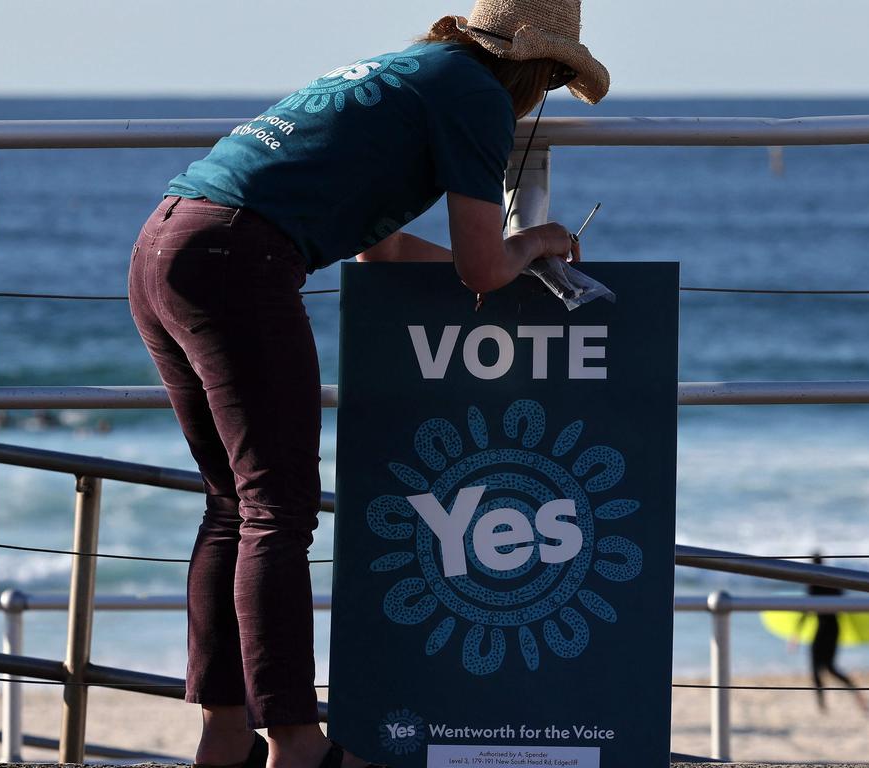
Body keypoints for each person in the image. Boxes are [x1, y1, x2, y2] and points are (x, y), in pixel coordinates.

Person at [127, 2, 609, 766]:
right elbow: (483, 267)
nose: (540, 97)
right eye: (552, 78)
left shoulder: (407, 72)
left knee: (232, 504)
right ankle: (295, 743)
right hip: (234, 259)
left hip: (164, 239)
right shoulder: (479, 98)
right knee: (277, 510)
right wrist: (542, 242)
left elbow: (378, 251)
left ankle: (223, 737)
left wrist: (506, 267)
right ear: (533, 66)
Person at [796, 553, 869, 712]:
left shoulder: (813, 583)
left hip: (825, 628)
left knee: (822, 668)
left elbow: (806, 609)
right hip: (832, 627)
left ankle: (825, 705)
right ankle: (826, 704)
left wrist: (796, 634)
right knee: (827, 668)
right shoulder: (832, 581)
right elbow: (843, 601)